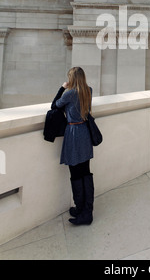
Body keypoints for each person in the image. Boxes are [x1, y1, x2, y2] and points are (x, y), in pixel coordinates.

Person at [52, 67, 94, 226]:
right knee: (85, 171)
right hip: (84, 132)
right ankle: (85, 210)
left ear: (72, 78)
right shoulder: (88, 90)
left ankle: (83, 211)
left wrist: (62, 88)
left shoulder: (69, 93)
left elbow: (54, 105)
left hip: (74, 133)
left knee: (76, 172)